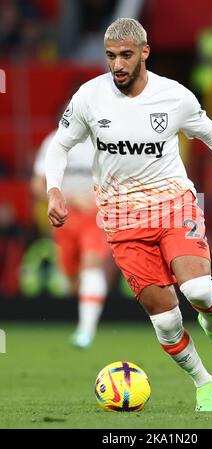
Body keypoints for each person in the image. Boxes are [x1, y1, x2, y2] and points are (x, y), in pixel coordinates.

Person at [45, 18, 212, 412]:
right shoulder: (90, 97)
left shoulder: (174, 97)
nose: (117, 65)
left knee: (199, 291)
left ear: (144, 52)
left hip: (174, 203)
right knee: (167, 322)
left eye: (125, 55)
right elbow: (60, 146)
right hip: (121, 217)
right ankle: (203, 381)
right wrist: (53, 188)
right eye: (110, 56)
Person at [32, 130, 111, 349]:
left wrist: (100, 200)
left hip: (95, 215)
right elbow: (38, 184)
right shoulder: (54, 142)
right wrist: (65, 199)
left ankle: (86, 331)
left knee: (92, 263)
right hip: (65, 217)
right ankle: (86, 312)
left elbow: (121, 179)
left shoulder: (106, 139)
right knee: (72, 277)